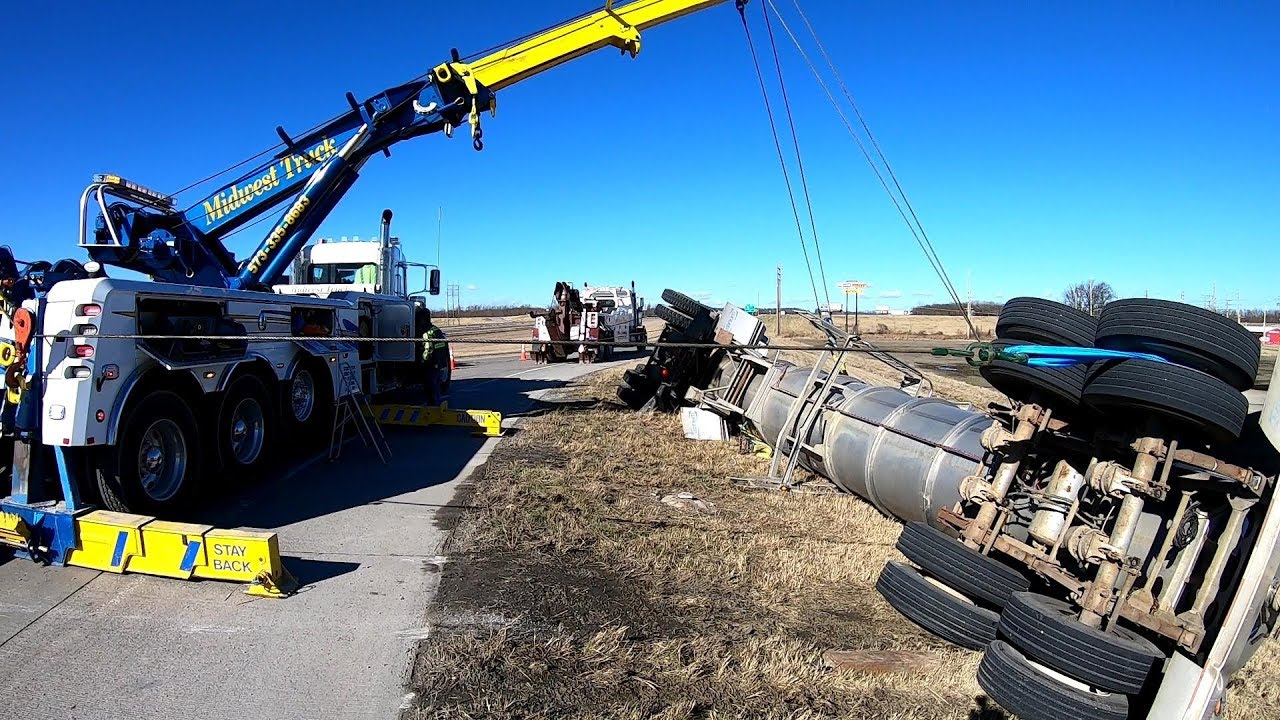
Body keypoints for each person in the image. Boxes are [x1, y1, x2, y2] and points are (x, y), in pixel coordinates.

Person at [420, 308, 449, 405]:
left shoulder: (428, 333)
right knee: (436, 386)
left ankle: (432, 407)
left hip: (431, 364)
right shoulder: (436, 330)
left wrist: (423, 361)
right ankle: (436, 405)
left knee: (430, 387)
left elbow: (428, 349)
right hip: (439, 362)